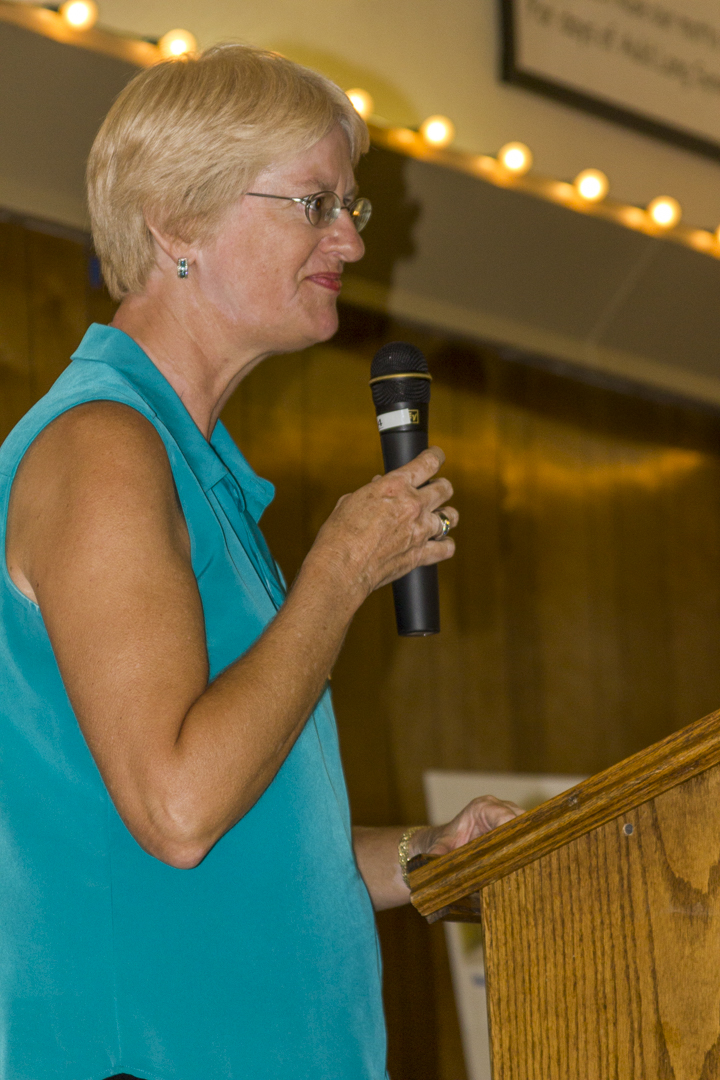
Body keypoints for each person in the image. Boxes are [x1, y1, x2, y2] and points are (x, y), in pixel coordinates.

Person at [0, 44, 521, 1080]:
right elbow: (180, 809)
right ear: (176, 221)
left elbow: (249, 842)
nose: (351, 241)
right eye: (315, 203)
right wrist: (339, 572)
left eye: (349, 208)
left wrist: (421, 854)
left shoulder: (192, 471)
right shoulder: (104, 447)